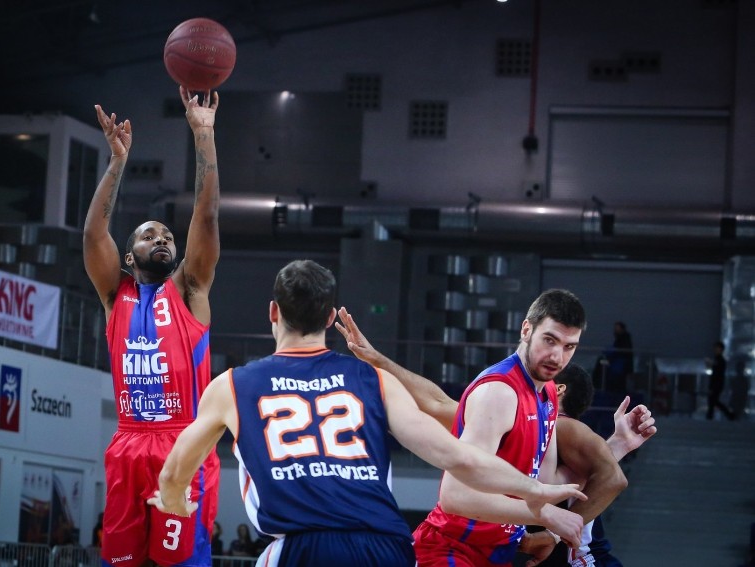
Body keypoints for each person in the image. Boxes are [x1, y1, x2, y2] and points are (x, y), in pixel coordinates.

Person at [148, 260, 586, 567]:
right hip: (387, 548)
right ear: (329, 316)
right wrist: (538, 495)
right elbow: (461, 458)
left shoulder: (230, 385)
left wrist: (174, 503)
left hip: (304, 546)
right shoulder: (376, 381)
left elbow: (173, 474)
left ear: (273, 313)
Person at [338, 291, 638, 567]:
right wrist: (544, 514)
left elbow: (544, 481)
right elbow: (455, 497)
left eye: (568, 347)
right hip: (451, 548)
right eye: (550, 340)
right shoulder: (499, 393)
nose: (557, 356)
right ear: (526, 330)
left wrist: (616, 446)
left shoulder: (545, 393)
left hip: (498, 551)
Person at [83, 87, 222, 567]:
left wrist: (203, 135)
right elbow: (93, 234)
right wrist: (117, 162)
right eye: (148, 235)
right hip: (127, 442)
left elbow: (205, 214)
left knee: (180, 561)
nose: (161, 238)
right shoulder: (113, 295)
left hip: (181, 441)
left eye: (166, 235)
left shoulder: (189, 291)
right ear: (129, 256)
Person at [515, 364, 657, 567]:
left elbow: (613, 479)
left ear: (557, 389)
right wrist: (617, 445)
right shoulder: (546, 429)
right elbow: (582, 481)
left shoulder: (562, 425)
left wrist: (554, 534)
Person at [707, 341, 735, 420]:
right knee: (713, 401)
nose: (715, 350)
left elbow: (717, 373)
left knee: (713, 401)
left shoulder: (720, 360)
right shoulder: (718, 359)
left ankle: (729, 415)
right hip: (717, 383)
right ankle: (729, 415)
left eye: (716, 348)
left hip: (717, 383)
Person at [603, 322, 633, 394]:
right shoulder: (620, 339)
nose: (615, 330)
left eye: (617, 328)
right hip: (618, 366)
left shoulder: (624, 340)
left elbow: (622, 351)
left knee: (618, 385)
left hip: (620, 366)